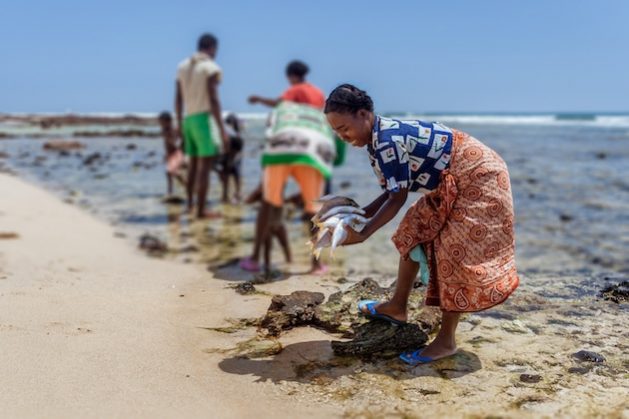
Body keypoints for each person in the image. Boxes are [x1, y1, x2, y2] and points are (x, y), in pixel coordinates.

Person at [324, 84, 520, 365]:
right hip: (450, 180)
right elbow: (394, 188)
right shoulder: (376, 140)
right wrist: (359, 216)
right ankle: (396, 307)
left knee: (453, 252)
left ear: (364, 114)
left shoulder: (387, 140)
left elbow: (397, 197)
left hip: (479, 176)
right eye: (336, 132)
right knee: (412, 230)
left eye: (344, 128)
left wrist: (364, 233)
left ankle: (446, 341)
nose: (342, 136)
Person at [240, 60, 330, 274]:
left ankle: (254, 259)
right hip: (312, 147)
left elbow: (279, 107)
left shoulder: (293, 90)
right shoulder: (318, 94)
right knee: (313, 209)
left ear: (290, 75)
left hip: (282, 146)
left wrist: (259, 99)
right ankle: (316, 264)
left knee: (268, 203)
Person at [175, 33, 229, 219]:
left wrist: (178, 122)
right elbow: (213, 98)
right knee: (204, 167)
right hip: (204, 119)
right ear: (212, 47)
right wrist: (222, 129)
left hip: (188, 119)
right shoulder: (210, 67)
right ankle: (201, 210)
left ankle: (189, 204)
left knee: (192, 166)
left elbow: (178, 98)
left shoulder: (182, 66)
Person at [158, 111, 186, 195]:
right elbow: (166, 144)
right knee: (169, 174)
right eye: (160, 122)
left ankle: (188, 186)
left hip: (176, 153)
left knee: (172, 172)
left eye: (162, 121)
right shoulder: (164, 130)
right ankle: (170, 192)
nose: (160, 123)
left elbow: (179, 140)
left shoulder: (173, 130)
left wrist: (179, 147)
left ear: (168, 121)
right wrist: (166, 154)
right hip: (170, 154)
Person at [219, 113, 244, 203]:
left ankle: (234, 193)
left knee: (233, 173)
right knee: (232, 174)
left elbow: (238, 149)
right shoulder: (233, 134)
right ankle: (231, 193)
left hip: (233, 156)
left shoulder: (235, 135)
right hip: (228, 154)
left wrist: (231, 159)